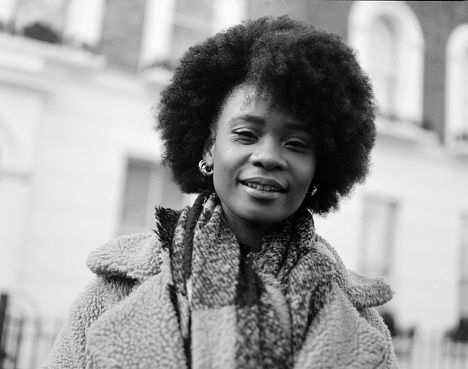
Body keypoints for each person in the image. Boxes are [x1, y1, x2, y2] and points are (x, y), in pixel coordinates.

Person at [42, 15, 397, 369]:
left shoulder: (363, 326)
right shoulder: (112, 295)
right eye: (246, 134)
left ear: (321, 165)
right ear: (210, 149)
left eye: (295, 143)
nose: (269, 157)